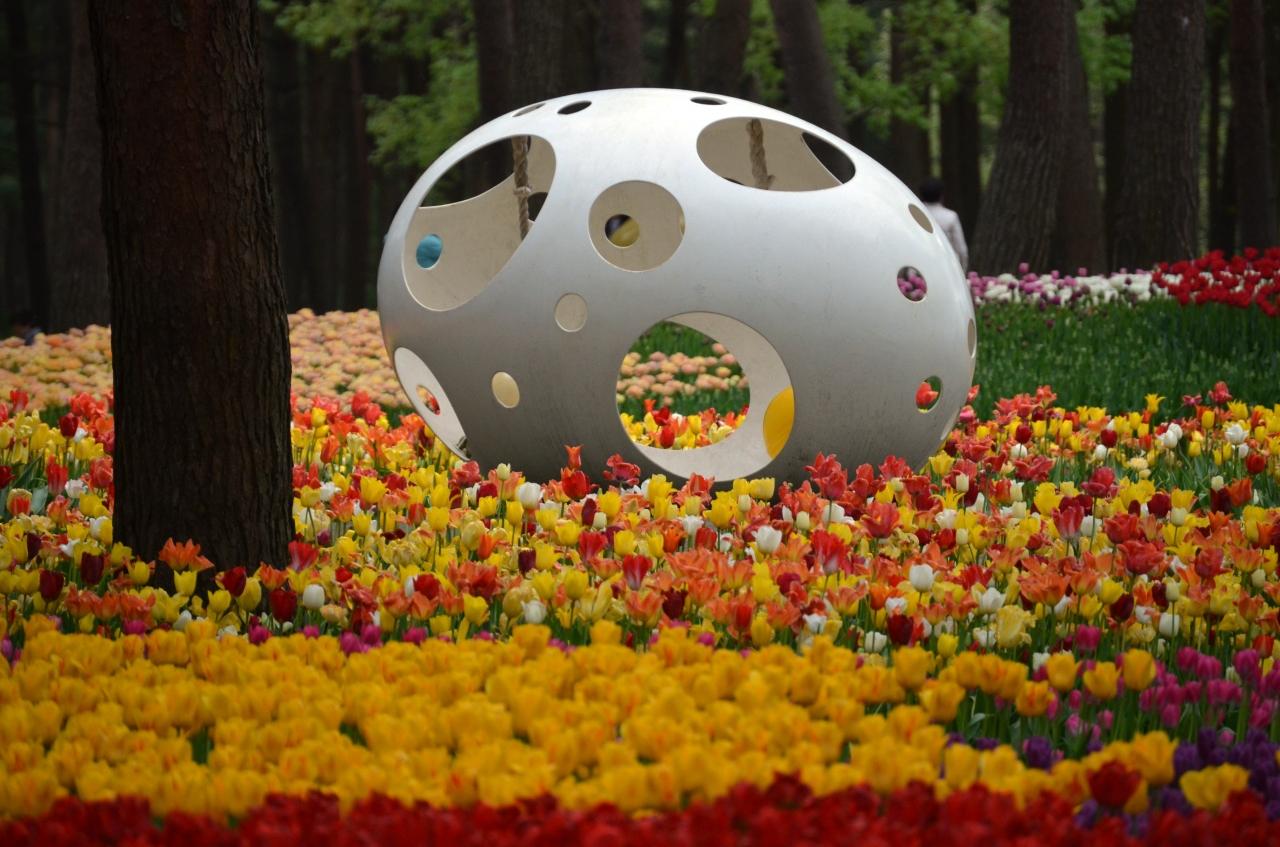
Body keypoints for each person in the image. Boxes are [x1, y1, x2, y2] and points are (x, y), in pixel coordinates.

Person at [917, 178, 968, 271]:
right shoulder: (951, 216)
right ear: (941, 196)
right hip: (946, 266)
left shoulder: (915, 215)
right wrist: (962, 270)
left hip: (921, 266)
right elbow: (961, 249)